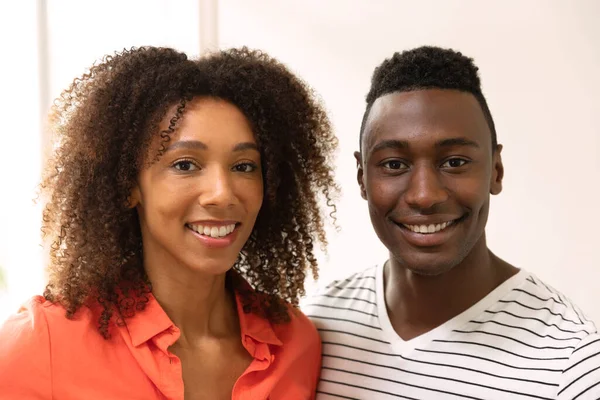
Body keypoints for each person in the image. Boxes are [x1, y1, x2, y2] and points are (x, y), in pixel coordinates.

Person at [0, 46, 338, 400]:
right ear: (130, 186)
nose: (222, 194)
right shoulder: (44, 344)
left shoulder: (296, 345)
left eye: (243, 166)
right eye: (185, 165)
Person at [304, 46, 600, 399]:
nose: (425, 196)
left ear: (496, 170)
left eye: (455, 161)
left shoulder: (573, 366)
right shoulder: (320, 324)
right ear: (362, 178)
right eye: (394, 165)